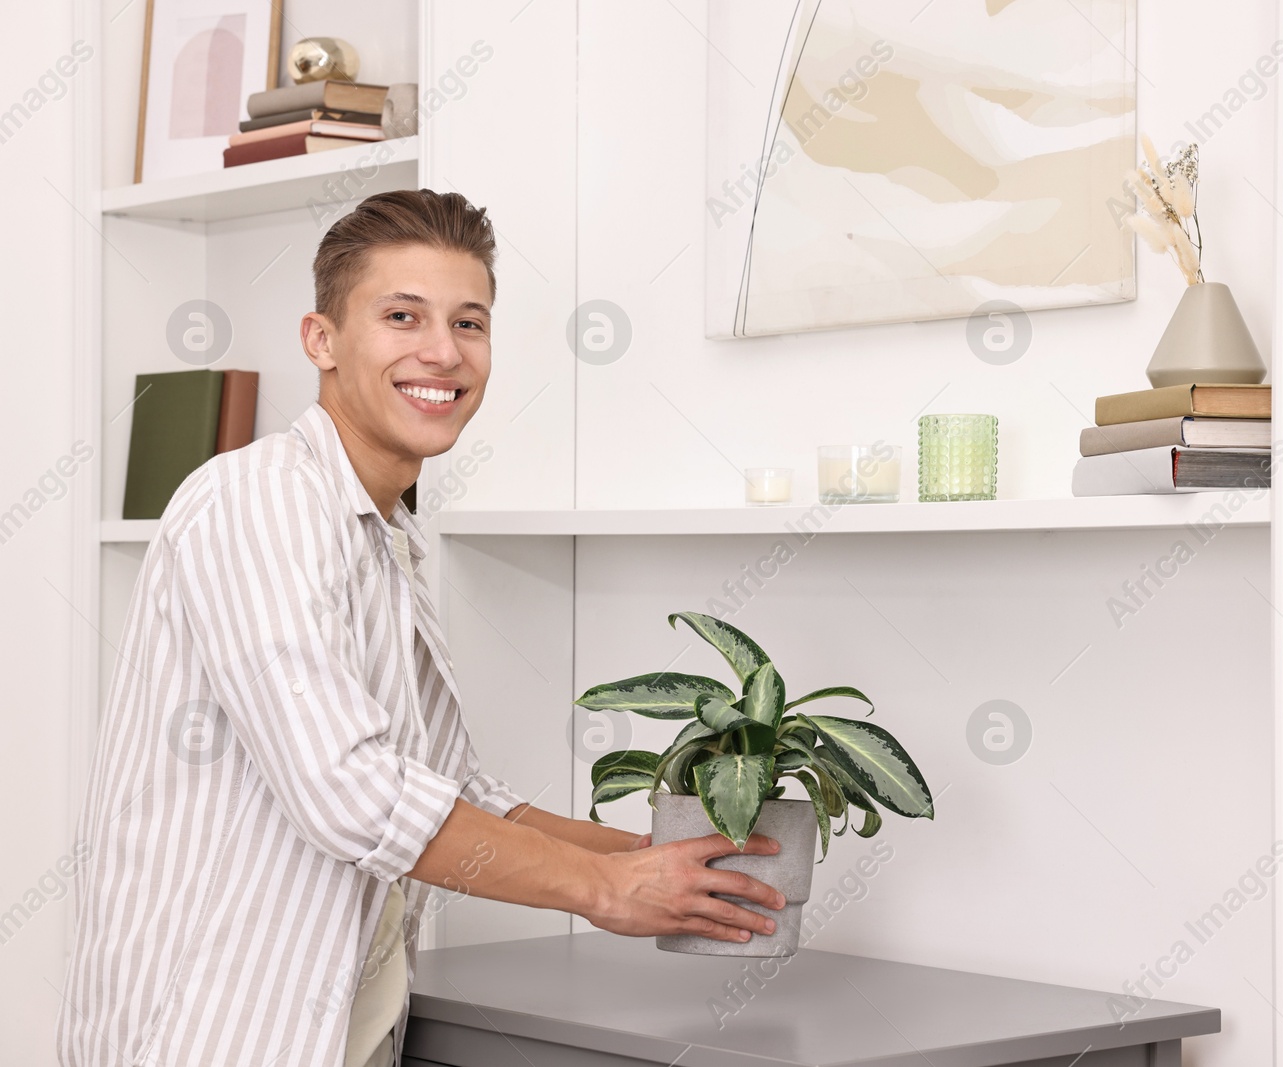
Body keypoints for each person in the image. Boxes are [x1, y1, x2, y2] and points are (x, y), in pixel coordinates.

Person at [59, 189, 784, 1067]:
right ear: (321, 339)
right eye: (402, 316)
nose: (442, 352)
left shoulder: (383, 532)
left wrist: (656, 861)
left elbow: (454, 787)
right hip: (214, 1037)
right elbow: (350, 791)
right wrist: (604, 889)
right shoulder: (257, 498)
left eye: (469, 323)